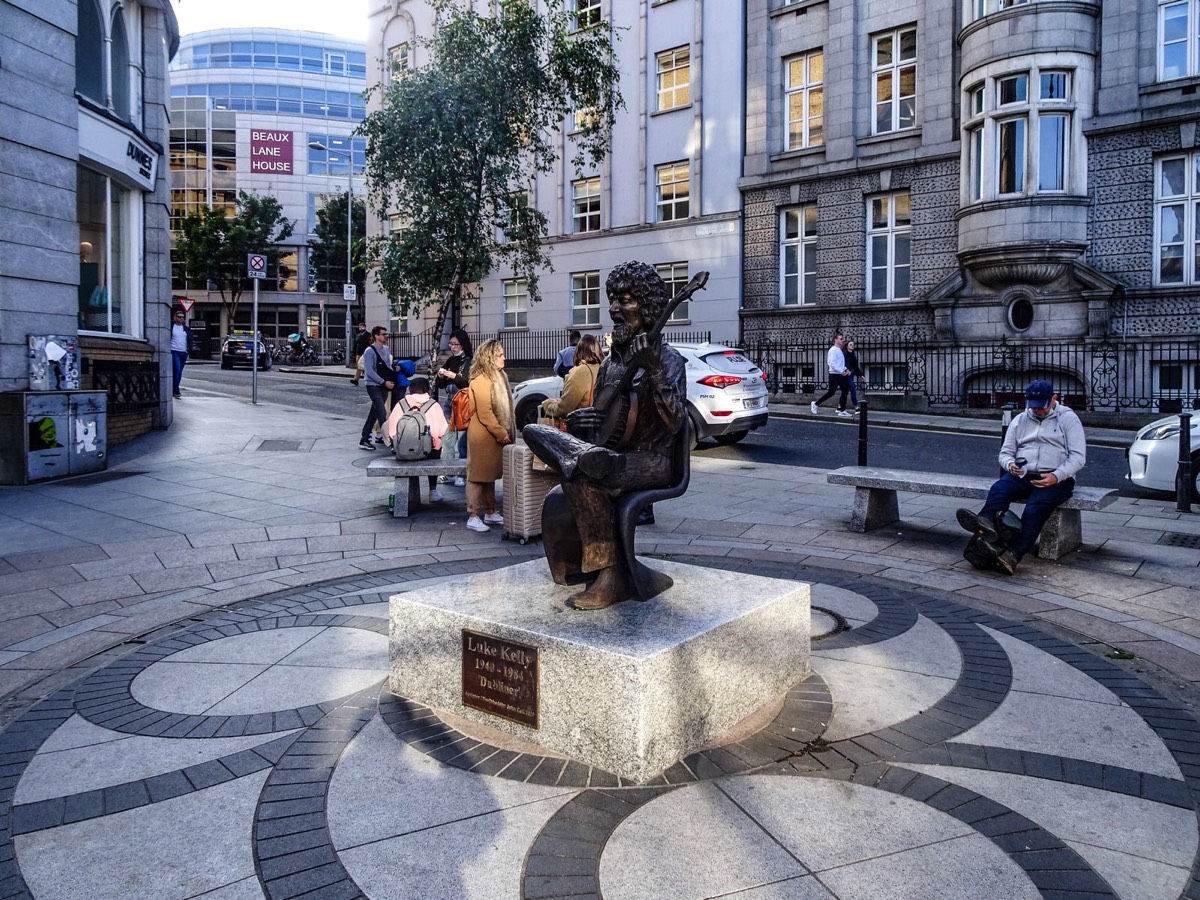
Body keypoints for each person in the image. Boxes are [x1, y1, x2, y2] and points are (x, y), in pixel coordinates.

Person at [523, 261, 688, 610]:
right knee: (533, 430)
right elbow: (603, 425)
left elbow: (675, 426)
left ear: (647, 306)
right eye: (612, 299)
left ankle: (609, 576)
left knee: (583, 475)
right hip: (609, 454)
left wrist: (655, 372)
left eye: (624, 300)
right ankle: (581, 460)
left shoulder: (669, 360)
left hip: (653, 460)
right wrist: (584, 423)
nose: (613, 308)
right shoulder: (612, 364)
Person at [956, 380, 1086, 575]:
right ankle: (985, 524)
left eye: (1041, 407)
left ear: (1054, 399)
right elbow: (1005, 453)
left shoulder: (1068, 419)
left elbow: (1078, 457)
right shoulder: (1021, 419)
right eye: (1032, 407)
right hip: (1024, 474)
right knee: (1000, 489)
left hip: (1057, 478)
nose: (1037, 411)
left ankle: (1013, 555)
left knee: (1034, 509)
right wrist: (1011, 465)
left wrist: (1056, 476)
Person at [464, 339, 514, 532]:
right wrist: (501, 432)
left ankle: (490, 512)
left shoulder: (497, 376)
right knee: (477, 476)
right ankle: (473, 515)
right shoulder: (481, 379)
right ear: (489, 357)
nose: (504, 358)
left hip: (491, 435)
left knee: (489, 475)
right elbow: (484, 412)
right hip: (483, 436)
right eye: (500, 355)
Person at [385, 376, 448, 501]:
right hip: (428, 452)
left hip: (403, 452)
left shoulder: (401, 404)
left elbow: (391, 429)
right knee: (436, 447)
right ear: (427, 389)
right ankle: (433, 490)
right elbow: (442, 431)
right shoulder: (433, 405)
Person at [435, 329, 472, 486]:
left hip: (463, 404)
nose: (452, 347)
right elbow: (440, 384)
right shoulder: (451, 360)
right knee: (448, 440)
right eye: (451, 344)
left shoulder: (470, 361)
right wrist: (441, 376)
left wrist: (453, 376)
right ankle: (448, 471)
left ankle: (462, 474)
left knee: (463, 441)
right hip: (450, 403)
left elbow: (467, 382)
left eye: (455, 344)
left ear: (463, 345)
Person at [540, 333, 602, 424]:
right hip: (602, 426)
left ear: (579, 350)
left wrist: (547, 405)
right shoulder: (603, 368)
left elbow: (564, 409)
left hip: (582, 427)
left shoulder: (580, 372)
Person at [359, 326, 395, 450]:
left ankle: (364, 439)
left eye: (386, 334)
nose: (386, 336)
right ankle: (390, 442)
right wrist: (384, 382)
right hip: (373, 385)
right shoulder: (369, 351)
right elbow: (369, 371)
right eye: (383, 334)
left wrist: (393, 376)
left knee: (374, 413)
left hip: (384, 385)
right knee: (381, 413)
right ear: (376, 336)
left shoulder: (386, 349)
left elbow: (387, 367)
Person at [811, 332, 852, 418]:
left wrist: (845, 369)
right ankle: (815, 404)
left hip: (841, 374)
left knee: (845, 391)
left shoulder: (839, 350)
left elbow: (839, 363)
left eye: (843, 339)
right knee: (831, 392)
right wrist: (841, 371)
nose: (843, 340)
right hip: (834, 375)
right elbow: (831, 363)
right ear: (835, 340)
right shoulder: (833, 350)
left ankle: (842, 410)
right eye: (841, 339)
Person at [170, 309, 191, 399]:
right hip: (174, 351)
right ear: (175, 318)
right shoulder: (171, 327)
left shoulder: (186, 328)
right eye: (179, 317)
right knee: (177, 369)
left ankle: (174, 387)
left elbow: (190, 339)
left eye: (183, 317)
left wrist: (189, 349)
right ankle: (175, 390)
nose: (181, 319)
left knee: (179, 372)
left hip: (183, 352)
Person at [844, 339, 863, 410]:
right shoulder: (845, 354)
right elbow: (844, 364)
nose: (852, 346)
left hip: (851, 373)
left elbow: (855, 367)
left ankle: (840, 406)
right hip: (846, 374)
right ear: (847, 346)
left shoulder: (853, 355)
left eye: (853, 345)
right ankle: (856, 406)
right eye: (850, 345)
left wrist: (861, 375)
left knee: (845, 391)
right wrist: (846, 369)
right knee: (853, 389)